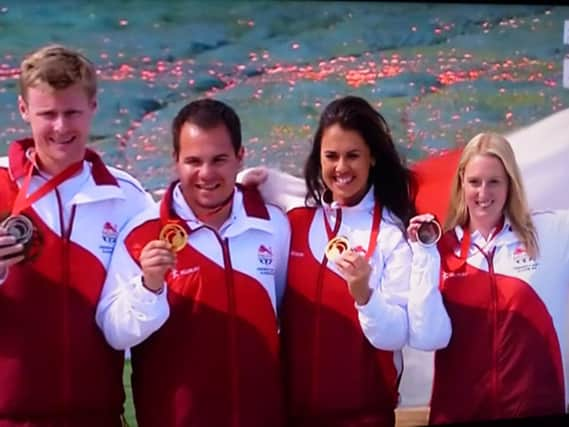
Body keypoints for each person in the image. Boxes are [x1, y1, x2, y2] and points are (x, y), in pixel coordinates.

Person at [96, 98, 291, 427]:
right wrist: (148, 287)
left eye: (219, 160)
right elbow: (115, 333)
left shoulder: (272, 224)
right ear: (175, 161)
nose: (206, 174)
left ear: (240, 157)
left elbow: (285, 312)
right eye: (193, 161)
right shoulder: (142, 233)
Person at [0, 44, 154, 426]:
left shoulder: (126, 197)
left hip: (97, 415)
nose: (61, 127)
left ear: (93, 108)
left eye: (72, 113)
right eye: (47, 114)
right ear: (23, 111)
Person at [406, 132, 569, 424]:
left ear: (510, 184)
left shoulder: (552, 232)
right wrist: (422, 256)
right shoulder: (438, 250)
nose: (483, 193)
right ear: (461, 184)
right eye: (474, 182)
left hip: (538, 408)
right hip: (459, 414)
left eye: (494, 181)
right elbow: (425, 336)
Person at [275, 95, 416, 426]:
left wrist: (364, 295)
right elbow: (250, 181)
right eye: (331, 156)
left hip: (365, 416)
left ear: (373, 158)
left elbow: (396, 335)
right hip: (290, 414)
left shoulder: (392, 234)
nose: (341, 168)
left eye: (353, 155)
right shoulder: (295, 219)